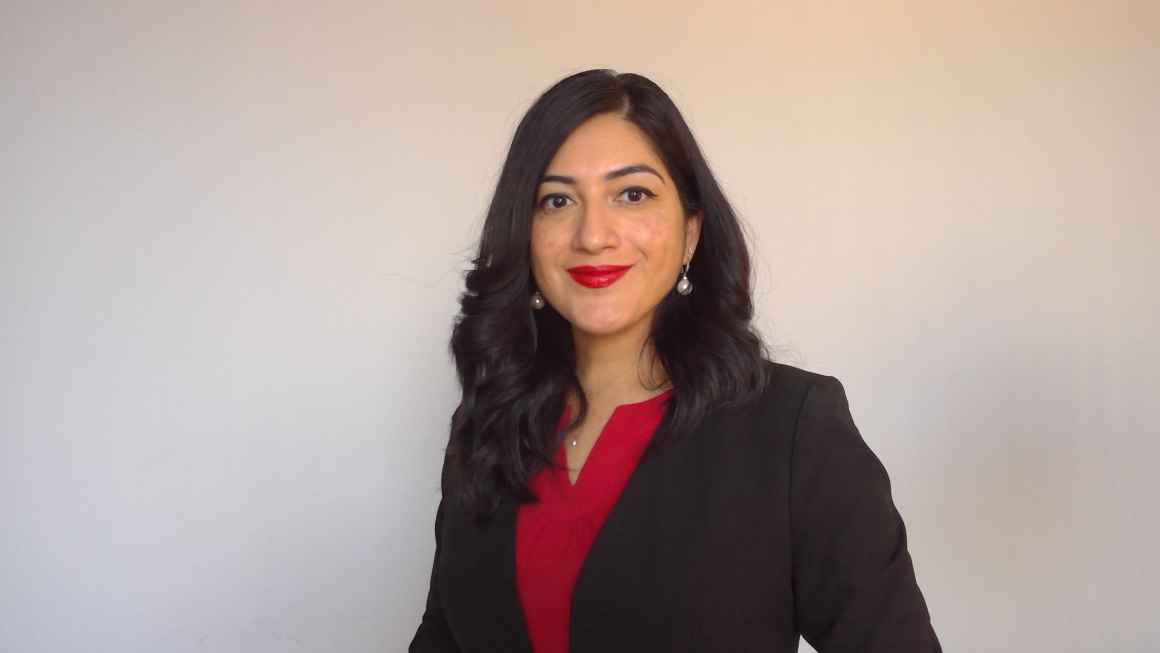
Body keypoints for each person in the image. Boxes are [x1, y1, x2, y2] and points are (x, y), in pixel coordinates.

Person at [409, 69, 941, 652]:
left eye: (631, 194)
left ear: (690, 233)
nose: (593, 235)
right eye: (557, 200)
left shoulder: (793, 429)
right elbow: (442, 639)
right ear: (525, 235)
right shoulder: (487, 421)